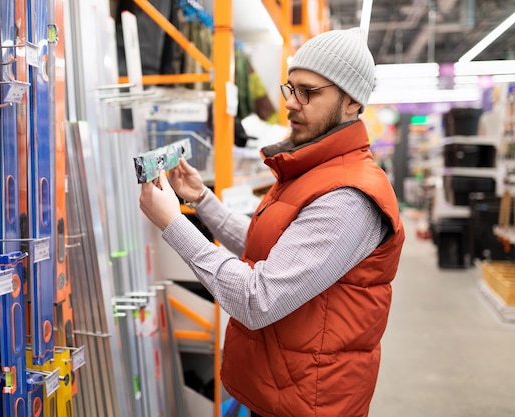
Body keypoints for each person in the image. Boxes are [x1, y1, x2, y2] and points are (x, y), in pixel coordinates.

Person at [139, 27, 405, 417]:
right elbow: (270, 245)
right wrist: (201, 200)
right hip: (278, 391)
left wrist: (173, 224)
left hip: (308, 405)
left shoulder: (349, 197)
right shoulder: (313, 169)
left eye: (308, 92)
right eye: (290, 88)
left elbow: (256, 299)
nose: (291, 104)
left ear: (351, 102)